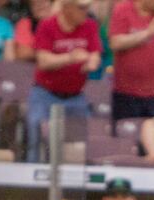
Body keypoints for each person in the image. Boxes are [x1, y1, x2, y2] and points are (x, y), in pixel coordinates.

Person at [25, 0, 101, 163]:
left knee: (82, 142)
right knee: (36, 135)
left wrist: (91, 63)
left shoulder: (90, 25)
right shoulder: (47, 25)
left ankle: (75, 182)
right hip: (45, 94)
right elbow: (43, 61)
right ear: (67, 8)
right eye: (81, 7)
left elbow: (95, 54)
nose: (86, 11)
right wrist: (70, 57)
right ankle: (32, 184)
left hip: (75, 95)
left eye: (87, 7)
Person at [109, 0, 154, 121]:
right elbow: (115, 43)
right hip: (127, 93)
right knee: (126, 136)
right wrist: (147, 33)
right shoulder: (122, 9)